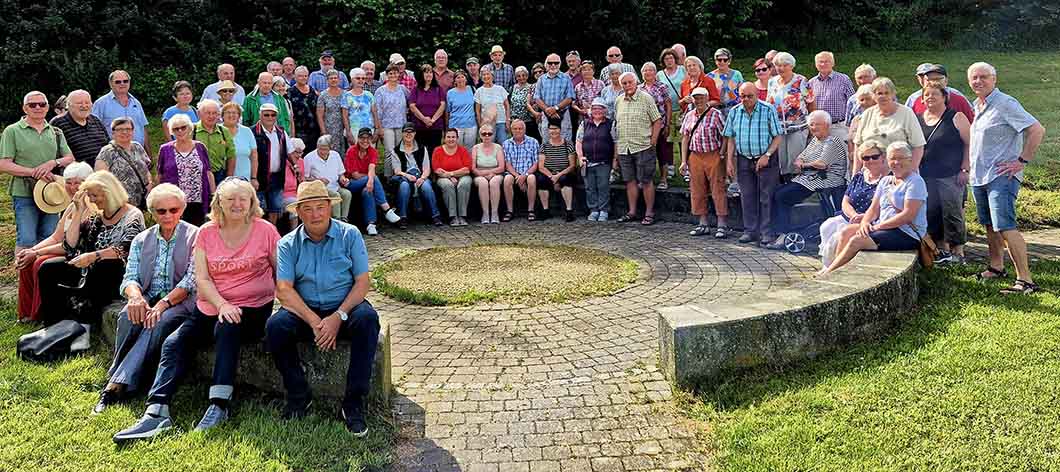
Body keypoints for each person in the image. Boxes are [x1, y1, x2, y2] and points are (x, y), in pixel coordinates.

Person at [112, 179, 280, 442]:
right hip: (211, 305)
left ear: (251, 203)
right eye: (230, 199)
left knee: (228, 326)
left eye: (243, 199)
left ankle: (218, 405)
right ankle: (157, 412)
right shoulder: (207, 233)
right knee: (175, 341)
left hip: (252, 307)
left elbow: (281, 273)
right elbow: (202, 280)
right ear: (219, 203)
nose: (237, 204)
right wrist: (222, 304)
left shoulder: (266, 231)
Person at [267, 180, 381, 436]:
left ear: (330, 207)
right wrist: (314, 321)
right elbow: (284, 289)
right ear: (298, 212)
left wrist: (337, 317)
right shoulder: (287, 243)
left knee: (368, 320)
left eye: (320, 207)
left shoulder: (349, 234)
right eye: (307, 209)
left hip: (345, 308)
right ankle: (298, 395)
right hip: (305, 312)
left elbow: (363, 282)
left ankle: (353, 403)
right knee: (275, 327)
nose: (315, 214)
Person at [93, 184, 199, 414]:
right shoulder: (142, 239)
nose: (168, 215)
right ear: (152, 212)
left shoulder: (196, 236)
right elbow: (130, 276)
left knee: (156, 321)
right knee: (128, 316)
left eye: (174, 209)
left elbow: (191, 282)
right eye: (161, 211)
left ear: (183, 208)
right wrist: (135, 297)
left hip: (182, 301)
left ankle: (115, 384)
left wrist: (162, 304)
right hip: (150, 296)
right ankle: (125, 377)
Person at [967, 62, 1046, 294]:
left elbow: (1036, 129)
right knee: (990, 225)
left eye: (984, 77)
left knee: (1005, 226)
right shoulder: (977, 105)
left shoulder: (1005, 103)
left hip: (1001, 176)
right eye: (974, 78)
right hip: (980, 176)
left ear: (995, 79)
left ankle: (1026, 280)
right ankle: (996, 266)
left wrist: (1021, 161)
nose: (978, 81)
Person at [37, 170, 145, 326]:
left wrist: (93, 256)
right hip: (89, 267)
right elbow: (71, 245)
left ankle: (86, 320)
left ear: (110, 193)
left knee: (104, 265)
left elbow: (126, 248)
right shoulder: (97, 216)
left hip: (116, 272)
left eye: (95, 195)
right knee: (48, 268)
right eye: (90, 196)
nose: (92, 200)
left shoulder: (133, 215)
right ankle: (53, 323)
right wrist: (78, 211)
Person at [819, 142, 927, 276]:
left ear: (910, 160)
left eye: (901, 158)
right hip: (884, 228)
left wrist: (877, 227)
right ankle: (839, 269)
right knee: (846, 232)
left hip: (905, 232)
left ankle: (830, 273)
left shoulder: (915, 182)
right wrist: (865, 223)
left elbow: (907, 215)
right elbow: (873, 209)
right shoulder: (886, 181)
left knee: (857, 240)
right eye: (892, 158)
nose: (896, 162)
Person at [16, 162, 92, 322]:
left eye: (77, 183)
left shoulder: (91, 207)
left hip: (80, 254)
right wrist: (30, 251)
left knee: (40, 262)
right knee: (27, 260)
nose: (72, 187)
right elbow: (56, 237)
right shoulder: (71, 207)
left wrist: (36, 253)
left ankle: (41, 313)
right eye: (69, 183)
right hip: (65, 248)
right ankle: (28, 313)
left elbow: (73, 245)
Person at [1, 92, 77, 251]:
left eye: (42, 104)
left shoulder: (56, 132)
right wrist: (34, 172)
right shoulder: (12, 131)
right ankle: (24, 275)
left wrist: (52, 163)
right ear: (24, 108)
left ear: (48, 107)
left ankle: (43, 275)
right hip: (24, 191)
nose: (38, 107)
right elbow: (4, 165)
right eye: (32, 105)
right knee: (26, 238)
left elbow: (69, 158)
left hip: (51, 192)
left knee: (50, 237)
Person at [765, 110, 849, 249]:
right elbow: (800, 157)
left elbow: (822, 164)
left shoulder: (832, 141)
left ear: (827, 125)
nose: (813, 127)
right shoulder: (816, 141)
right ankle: (781, 231)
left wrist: (804, 165)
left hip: (825, 180)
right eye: (811, 124)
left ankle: (784, 234)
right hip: (810, 178)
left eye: (817, 124)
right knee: (778, 192)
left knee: (782, 195)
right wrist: (803, 162)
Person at [918, 79, 971, 263]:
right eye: (926, 95)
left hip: (951, 175)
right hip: (925, 175)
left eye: (934, 94)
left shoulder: (956, 117)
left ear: (944, 97)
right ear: (922, 99)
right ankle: (941, 250)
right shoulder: (918, 118)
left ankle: (959, 252)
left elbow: (969, 144)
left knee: (952, 212)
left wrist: (965, 168)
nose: (930, 97)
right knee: (932, 212)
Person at [724, 82, 783, 244]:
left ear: (757, 95)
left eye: (750, 96)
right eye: (742, 96)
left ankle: (766, 232)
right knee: (747, 196)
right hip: (743, 159)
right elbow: (730, 138)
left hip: (766, 158)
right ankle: (750, 231)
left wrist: (767, 155)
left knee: (766, 197)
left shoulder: (768, 109)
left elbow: (778, 136)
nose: (746, 99)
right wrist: (729, 161)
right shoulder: (734, 112)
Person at [819, 141, 888, 267]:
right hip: (851, 216)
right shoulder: (859, 176)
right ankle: (827, 265)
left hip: (870, 220)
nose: (870, 160)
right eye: (865, 158)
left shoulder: (887, 180)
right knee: (827, 226)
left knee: (837, 237)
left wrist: (864, 217)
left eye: (874, 157)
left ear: (882, 157)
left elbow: (884, 207)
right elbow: (846, 200)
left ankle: (834, 267)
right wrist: (854, 215)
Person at [614, 72, 663, 225]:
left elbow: (657, 120)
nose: (627, 86)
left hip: (643, 145)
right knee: (629, 181)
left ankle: (649, 213)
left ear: (636, 82)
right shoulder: (618, 100)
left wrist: (653, 141)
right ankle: (632, 211)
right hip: (624, 147)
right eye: (624, 83)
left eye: (629, 82)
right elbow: (617, 124)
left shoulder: (646, 98)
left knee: (646, 180)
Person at [851, 77, 926, 176]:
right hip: (871, 174)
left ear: (893, 94)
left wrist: (910, 171)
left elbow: (918, 146)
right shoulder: (867, 114)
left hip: (899, 172)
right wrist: (855, 174)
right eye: (879, 93)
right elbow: (858, 145)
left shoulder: (906, 113)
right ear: (873, 96)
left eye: (887, 93)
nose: (883, 96)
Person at [680, 88, 728, 237]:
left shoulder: (716, 114)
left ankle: (722, 225)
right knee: (697, 190)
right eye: (696, 98)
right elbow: (685, 138)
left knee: (717, 189)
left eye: (701, 97)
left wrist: (721, 154)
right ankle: (703, 223)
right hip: (695, 156)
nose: (699, 101)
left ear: (707, 98)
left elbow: (725, 136)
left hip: (713, 154)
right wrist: (683, 161)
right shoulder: (689, 115)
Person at [157, 114, 214, 226]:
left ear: (190, 128)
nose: (180, 131)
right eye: (176, 129)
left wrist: (213, 194)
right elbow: (159, 175)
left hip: (198, 200)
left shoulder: (200, 147)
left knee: (197, 232)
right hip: (174, 201)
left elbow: (208, 172)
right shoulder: (165, 149)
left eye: (183, 127)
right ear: (171, 131)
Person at [766, 52, 816, 178]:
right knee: (782, 163)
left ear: (791, 66)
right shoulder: (772, 82)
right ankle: (785, 189)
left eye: (784, 65)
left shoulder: (801, 81)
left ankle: (798, 191)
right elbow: (768, 104)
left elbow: (811, 103)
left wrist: (812, 124)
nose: (781, 68)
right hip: (778, 129)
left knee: (796, 161)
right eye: (778, 65)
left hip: (797, 128)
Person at [343, 128, 400, 235]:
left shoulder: (372, 151)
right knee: (374, 178)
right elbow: (355, 175)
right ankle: (386, 209)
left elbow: (372, 168)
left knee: (367, 191)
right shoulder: (351, 151)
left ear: (371, 139)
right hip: (351, 183)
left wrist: (369, 180)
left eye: (367, 138)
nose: (365, 141)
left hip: (365, 183)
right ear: (358, 139)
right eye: (362, 138)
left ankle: (371, 225)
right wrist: (370, 178)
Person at [253, 102, 300, 224]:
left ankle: (272, 235)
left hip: (277, 177)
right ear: (260, 116)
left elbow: (290, 152)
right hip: (259, 176)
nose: (270, 118)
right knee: (258, 210)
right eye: (266, 115)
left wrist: (295, 166)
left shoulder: (281, 132)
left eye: (273, 115)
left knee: (275, 209)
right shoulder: (252, 132)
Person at [390, 124, 442, 227]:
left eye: (411, 132)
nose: (408, 134)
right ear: (402, 133)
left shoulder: (422, 148)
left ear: (415, 134)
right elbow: (397, 171)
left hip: (421, 176)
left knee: (426, 186)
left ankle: (435, 215)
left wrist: (422, 178)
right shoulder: (395, 150)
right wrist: (407, 176)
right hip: (404, 176)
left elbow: (427, 169)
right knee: (404, 186)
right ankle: (402, 217)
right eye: (406, 132)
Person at [95, 117, 153, 210]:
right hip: (120, 204)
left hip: (141, 201)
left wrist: (149, 185)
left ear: (133, 131)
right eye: (120, 129)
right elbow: (101, 179)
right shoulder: (107, 152)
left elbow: (146, 169)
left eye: (128, 129)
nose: (125, 132)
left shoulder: (137, 147)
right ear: (113, 133)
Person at [576, 99, 617, 222]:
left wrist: (615, 159)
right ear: (591, 110)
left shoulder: (611, 124)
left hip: (604, 162)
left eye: (600, 108)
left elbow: (616, 142)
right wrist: (580, 156)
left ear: (605, 111)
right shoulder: (584, 124)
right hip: (587, 161)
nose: (597, 111)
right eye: (594, 109)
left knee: (603, 186)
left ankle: (604, 210)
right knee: (590, 187)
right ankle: (593, 210)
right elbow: (579, 141)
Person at [93, 70, 151, 153]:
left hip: (138, 154)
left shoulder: (136, 103)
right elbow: (94, 130)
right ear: (110, 84)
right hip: (113, 154)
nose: (122, 84)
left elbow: (143, 128)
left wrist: (148, 154)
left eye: (125, 81)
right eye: (118, 82)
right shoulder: (100, 104)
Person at [50, 90, 108, 167]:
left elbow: (107, 144)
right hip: (75, 174)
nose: (84, 106)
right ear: (69, 105)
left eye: (87, 103)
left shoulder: (95, 120)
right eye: (79, 103)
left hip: (101, 171)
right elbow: (52, 153)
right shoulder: (58, 123)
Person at [807, 51, 855, 140]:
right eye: (820, 62)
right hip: (819, 128)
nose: (823, 64)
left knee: (841, 153)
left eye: (827, 61)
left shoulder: (843, 79)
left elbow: (853, 102)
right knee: (820, 153)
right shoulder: (811, 83)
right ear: (816, 64)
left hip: (838, 126)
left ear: (833, 63)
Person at [640, 62, 674, 190]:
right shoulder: (639, 88)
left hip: (659, 125)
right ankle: (647, 179)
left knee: (662, 152)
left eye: (650, 70)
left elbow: (668, 105)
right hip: (644, 127)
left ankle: (664, 179)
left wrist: (667, 124)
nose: (647, 73)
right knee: (645, 153)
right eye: (645, 71)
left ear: (655, 73)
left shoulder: (662, 87)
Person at [536, 119, 577, 221]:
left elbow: (572, 166)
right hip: (549, 173)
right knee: (541, 180)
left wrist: (557, 176)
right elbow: (541, 166)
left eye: (555, 129)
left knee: (565, 179)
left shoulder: (568, 145)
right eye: (551, 129)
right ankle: (545, 210)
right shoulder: (544, 146)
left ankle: (569, 211)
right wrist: (551, 176)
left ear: (560, 130)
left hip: (564, 172)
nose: (553, 131)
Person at [305, 135, 354, 222]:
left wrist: (343, 179)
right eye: (320, 149)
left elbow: (341, 174)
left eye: (325, 149)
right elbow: (305, 179)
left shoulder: (335, 155)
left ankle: (344, 220)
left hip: (335, 186)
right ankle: (336, 220)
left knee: (347, 194)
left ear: (330, 148)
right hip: (319, 188)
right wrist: (318, 181)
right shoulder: (309, 158)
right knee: (336, 196)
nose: (323, 152)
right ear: (317, 147)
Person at [906, 63, 975, 123]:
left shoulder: (958, 99)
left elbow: (972, 121)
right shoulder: (915, 99)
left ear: (946, 80)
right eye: (929, 79)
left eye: (938, 79)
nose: (934, 82)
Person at [373, 64, 410, 175]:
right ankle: (388, 177)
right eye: (390, 73)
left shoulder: (403, 89)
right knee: (390, 152)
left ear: (399, 74)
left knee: (400, 151)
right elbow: (377, 111)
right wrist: (379, 128)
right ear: (386, 75)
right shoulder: (380, 91)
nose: (393, 75)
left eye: (395, 73)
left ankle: (399, 175)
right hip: (386, 126)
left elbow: (411, 102)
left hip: (401, 125)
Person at [432, 129, 473, 226]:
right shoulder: (438, 150)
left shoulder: (462, 150)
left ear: (457, 138)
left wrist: (451, 174)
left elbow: (467, 169)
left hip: (462, 176)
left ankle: (462, 216)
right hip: (443, 178)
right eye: (448, 137)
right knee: (447, 185)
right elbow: (437, 170)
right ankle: (453, 216)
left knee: (464, 183)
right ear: (444, 138)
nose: (451, 139)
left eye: (453, 137)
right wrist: (450, 177)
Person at [502, 119, 540, 221]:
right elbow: (507, 164)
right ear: (511, 130)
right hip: (513, 173)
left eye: (520, 128)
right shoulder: (506, 144)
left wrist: (525, 175)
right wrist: (518, 177)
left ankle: (531, 210)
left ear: (525, 129)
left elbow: (536, 163)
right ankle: (509, 211)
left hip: (528, 172)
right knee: (507, 180)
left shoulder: (533, 142)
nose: (518, 131)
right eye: (515, 128)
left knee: (531, 178)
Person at [532, 53, 576, 141]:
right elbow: (537, 98)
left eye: (556, 63)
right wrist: (547, 110)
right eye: (550, 63)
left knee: (565, 142)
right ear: (546, 65)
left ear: (560, 64)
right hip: (546, 114)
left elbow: (570, 97)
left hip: (563, 115)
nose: (553, 65)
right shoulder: (541, 79)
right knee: (547, 141)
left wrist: (555, 108)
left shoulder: (566, 78)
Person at [193, 99, 235, 186]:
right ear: (199, 114)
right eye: (208, 113)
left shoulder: (224, 131)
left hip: (219, 175)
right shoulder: (192, 130)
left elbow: (231, 155)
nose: (211, 116)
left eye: (214, 113)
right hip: (197, 175)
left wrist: (229, 178)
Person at [471, 124, 507, 224]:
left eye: (489, 134)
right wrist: (484, 174)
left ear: (493, 135)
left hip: (496, 174)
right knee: (483, 183)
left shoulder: (498, 147)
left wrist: (491, 173)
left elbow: (501, 167)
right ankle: (485, 213)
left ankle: (494, 213)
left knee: (494, 182)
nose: (487, 136)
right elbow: (473, 168)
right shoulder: (475, 148)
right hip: (479, 174)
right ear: (480, 135)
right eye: (484, 134)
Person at [409, 64, 447, 152]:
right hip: (419, 126)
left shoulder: (438, 89)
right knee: (420, 152)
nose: (429, 74)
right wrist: (424, 119)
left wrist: (432, 120)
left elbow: (442, 105)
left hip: (436, 126)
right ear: (421, 75)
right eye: (426, 72)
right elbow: (412, 106)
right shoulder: (416, 89)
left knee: (434, 151)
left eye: (430, 72)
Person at [316, 69, 352, 155]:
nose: (333, 80)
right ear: (327, 80)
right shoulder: (323, 95)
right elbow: (319, 115)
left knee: (344, 152)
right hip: (329, 128)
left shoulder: (345, 94)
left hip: (343, 127)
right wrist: (323, 131)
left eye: (335, 78)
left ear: (339, 80)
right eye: (331, 78)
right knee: (331, 151)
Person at [222, 102, 258, 181]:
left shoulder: (247, 131)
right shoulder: (218, 130)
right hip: (221, 180)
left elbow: (254, 156)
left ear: (239, 116)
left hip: (244, 179)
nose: (231, 115)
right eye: (228, 112)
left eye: (234, 113)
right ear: (222, 116)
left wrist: (254, 178)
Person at [289, 66, 320, 154]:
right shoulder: (290, 92)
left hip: (314, 129)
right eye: (300, 76)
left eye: (306, 76)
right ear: (295, 77)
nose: (303, 78)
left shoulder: (312, 90)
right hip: (299, 131)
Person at [475, 68, 511, 144]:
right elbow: (477, 111)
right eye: (483, 75)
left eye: (488, 74)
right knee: (489, 144)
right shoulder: (479, 91)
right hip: (487, 123)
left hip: (501, 122)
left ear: (492, 76)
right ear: (481, 77)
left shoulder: (500, 89)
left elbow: (507, 106)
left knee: (503, 144)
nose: (486, 76)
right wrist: (480, 124)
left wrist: (508, 120)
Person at [345, 68, 376, 150]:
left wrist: (377, 130)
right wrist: (348, 132)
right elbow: (345, 116)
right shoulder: (346, 96)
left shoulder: (369, 95)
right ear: (352, 79)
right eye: (358, 78)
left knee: (370, 154)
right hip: (354, 130)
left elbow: (374, 113)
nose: (361, 80)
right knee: (355, 155)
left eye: (363, 78)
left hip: (369, 129)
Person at [446, 71, 478, 149]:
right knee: (456, 148)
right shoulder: (450, 93)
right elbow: (447, 111)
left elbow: (477, 106)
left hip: (471, 125)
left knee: (470, 149)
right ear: (455, 80)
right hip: (456, 125)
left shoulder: (472, 89)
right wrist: (447, 127)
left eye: (462, 77)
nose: (460, 79)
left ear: (466, 79)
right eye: (458, 77)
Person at [707, 48, 744, 113]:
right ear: (715, 61)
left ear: (729, 61)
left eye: (725, 60)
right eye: (719, 60)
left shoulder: (737, 74)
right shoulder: (709, 76)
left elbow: (742, 92)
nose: (722, 62)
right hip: (716, 111)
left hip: (734, 110)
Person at [846, 84, 877, 162]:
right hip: (857, 158)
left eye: (868, 99)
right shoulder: (856, 119)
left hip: (875, 158)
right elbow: (850, 139)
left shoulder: (880, 117)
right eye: (861, 100)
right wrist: (851, 152)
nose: (865, 102)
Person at [510, 67, 541, 142]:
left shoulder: (531, 87)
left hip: (528, 120)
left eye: (524, 75)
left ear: (527, 76)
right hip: (515, 120)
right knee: (516, 140)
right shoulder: (512, 87)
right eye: (519, 76)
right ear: (516, 77)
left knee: (529, 140)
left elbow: (535, 102)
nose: (521, 78)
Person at [282, 138, 307, 229]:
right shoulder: (283, 163)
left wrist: (300, 176)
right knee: (295, 204)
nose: (299, 155)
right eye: (297, 152)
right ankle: (294, 232)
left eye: (301, 152)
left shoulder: (301, 162)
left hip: (297, 194)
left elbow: (303, 182)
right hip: (284, 195)